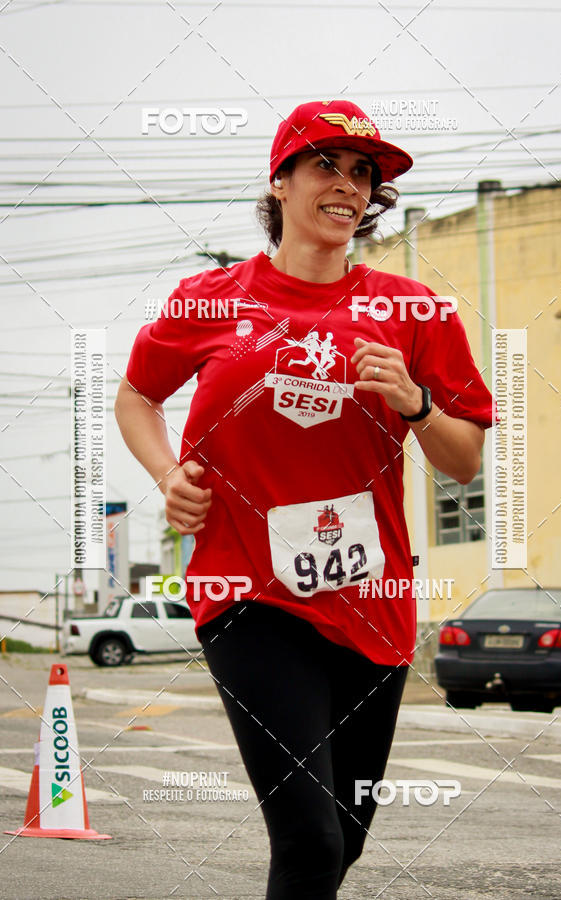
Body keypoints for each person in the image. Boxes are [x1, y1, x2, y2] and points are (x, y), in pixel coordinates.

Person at [115, 99, 495, 899]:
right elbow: (135, 398)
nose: (349, 187)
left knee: (340, 844)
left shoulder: (413, 312)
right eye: (327, 165)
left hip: (373, 601)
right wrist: (164, 476)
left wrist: (416, 403)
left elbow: (462, 461)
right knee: (311, 841)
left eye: (364, 175)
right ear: (280, 182)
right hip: (248, 594)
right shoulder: (210, 300)